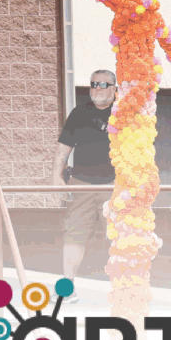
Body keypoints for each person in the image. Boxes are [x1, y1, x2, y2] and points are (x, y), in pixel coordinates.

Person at [50, 70, 118, 299]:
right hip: (82, 184)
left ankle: (126, 290)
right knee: (74, 234)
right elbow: (64, 146)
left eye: (104, 84)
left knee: (121, 235)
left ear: (114, 88)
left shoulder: (124, 112)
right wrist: (56, 175)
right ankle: (67, 290)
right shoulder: (79, 113)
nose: (98, 88)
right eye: (94, 84)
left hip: (116, 185)